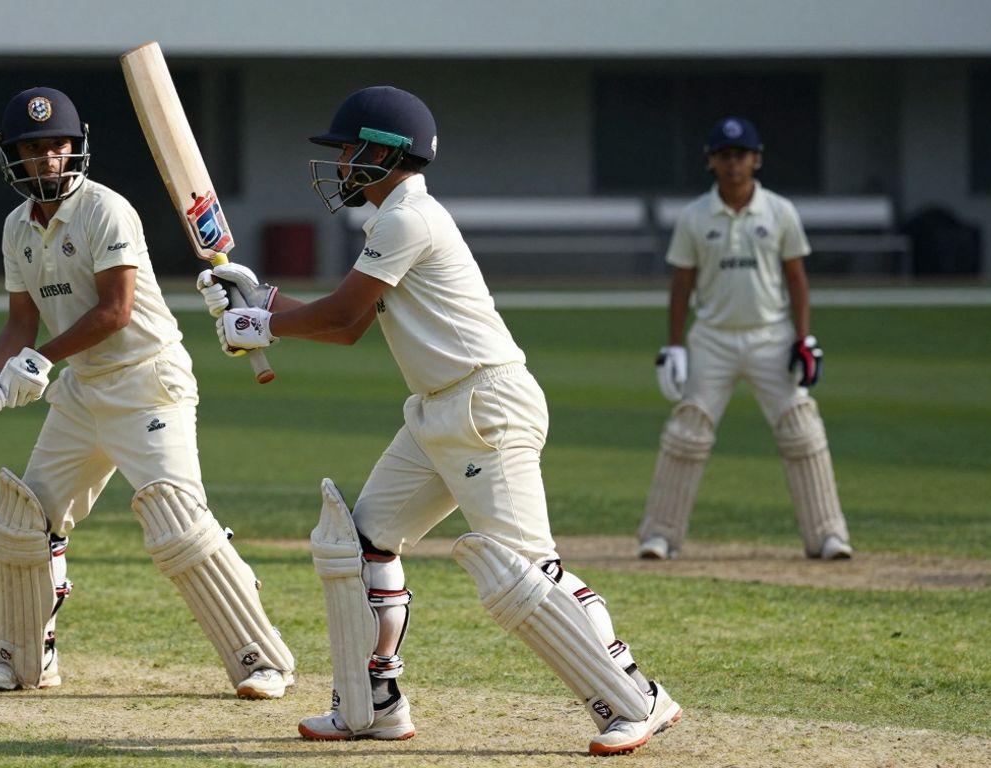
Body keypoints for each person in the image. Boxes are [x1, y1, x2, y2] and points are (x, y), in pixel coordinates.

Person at [197, 86, 679, 756]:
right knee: (360, 543)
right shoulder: (391, 220)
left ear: (386, 153)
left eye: (347, 149)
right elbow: (350, 310)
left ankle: (636, 696)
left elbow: (343, 323)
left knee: (526, 572)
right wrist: (263, 299)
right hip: (436, 410)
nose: (339, 163)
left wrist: (261, 323)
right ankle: (373, 706)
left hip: (486, 407)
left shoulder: (406, 220)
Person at [0, 86, 294, 699]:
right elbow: (20, 323)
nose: (48, 160)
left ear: (75, 148)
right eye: (34, 150)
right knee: (23, 518)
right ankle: (23, 659)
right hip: (85, 390)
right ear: (14, 157)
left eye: (58, 146)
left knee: (177, 522)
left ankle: (259, 659)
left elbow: (115, 311)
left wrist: (37, 361)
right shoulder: (16, 228)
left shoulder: (105, 209)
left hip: (147, 384)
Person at [636, 116, 853, 562]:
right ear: (711, 162)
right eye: (724, 156)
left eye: (741, 156)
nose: (733, 164)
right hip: (712, 339)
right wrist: (675, 345)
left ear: (756, 160)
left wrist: (804, 339)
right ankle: (659, 535)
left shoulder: (780, 212)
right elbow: (681, 284)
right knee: (687, 430)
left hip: (771, 337)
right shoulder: (695, 216)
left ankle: (828, 535)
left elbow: (797, 278)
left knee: (801, 429)